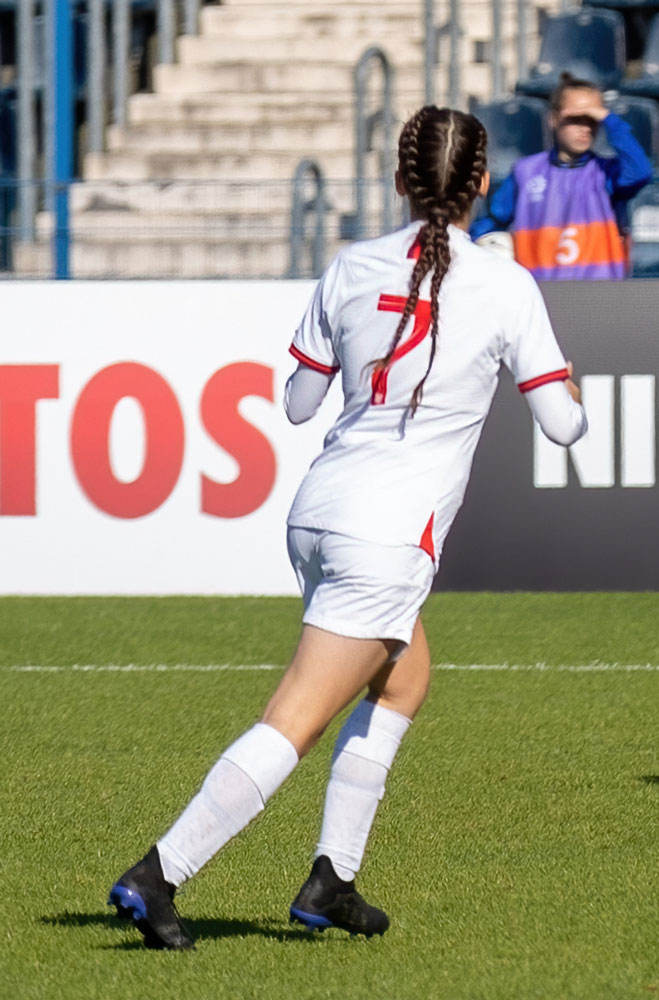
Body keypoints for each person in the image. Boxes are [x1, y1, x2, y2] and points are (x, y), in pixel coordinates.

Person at [106, 106, 588, 949]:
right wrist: (569, 387)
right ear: (483, 184)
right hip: (386, 535)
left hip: (318, 514)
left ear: (400, 180)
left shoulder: (351, 265)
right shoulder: (507, 283)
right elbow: (563, 426)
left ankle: (332, 880)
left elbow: (299, 404)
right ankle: (159, 874)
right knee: (295, 718)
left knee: (404, 679)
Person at [471, 72, 652, 279]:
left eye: (592, 119)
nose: (585, 128)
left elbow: (640, 172)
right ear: (553, 119)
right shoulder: (525, 172)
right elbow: (490, 221)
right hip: (542, 292)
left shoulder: (605, 173)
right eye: (576, 119)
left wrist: (609, 119)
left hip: (600, 293)